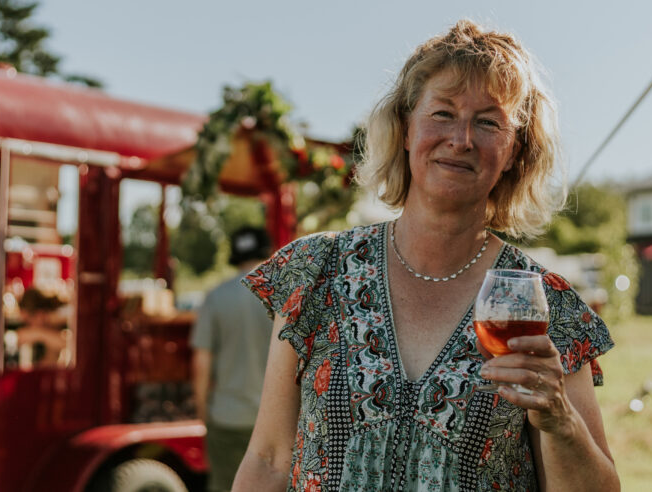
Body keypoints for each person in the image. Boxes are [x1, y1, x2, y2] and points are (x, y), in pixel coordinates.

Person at [234, 19, 618, 491]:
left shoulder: (545, 303)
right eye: (442, 113)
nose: (461, 139)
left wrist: (560, 419)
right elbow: (269, 460)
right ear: (404, 129)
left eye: (488, 122)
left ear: (516, 151)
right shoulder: (315, 272)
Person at [190, 226, 275, 492]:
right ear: (266, 253)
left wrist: (205, 413)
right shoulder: (282, 297)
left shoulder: (216, 297)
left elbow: (201, 360)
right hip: (273, 420)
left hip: (227, 418)